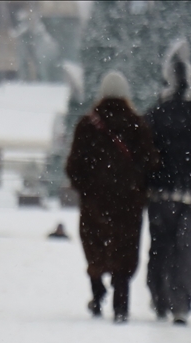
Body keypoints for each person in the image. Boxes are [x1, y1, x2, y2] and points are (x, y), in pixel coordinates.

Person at [66, 71, 157, 323]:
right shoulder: (138, 125)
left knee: (95, 246)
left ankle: (97, 292)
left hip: (95, 201)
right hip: (128, 203)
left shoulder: (87, 125)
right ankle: (121, 301)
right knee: (125, 248)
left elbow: (73, 167)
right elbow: (150, 162)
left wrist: (87, 188)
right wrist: (138, 189)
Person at [144, 39, 191, 325]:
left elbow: (146, 153)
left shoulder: (157, 114)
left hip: (162, 193)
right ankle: (181, 303)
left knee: (161, 247)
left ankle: (161, 298)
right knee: (188, 251)